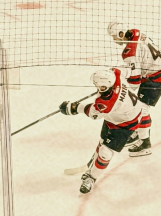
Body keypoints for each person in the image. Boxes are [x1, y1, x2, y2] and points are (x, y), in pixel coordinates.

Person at [59, 67, 143, 195]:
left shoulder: (107, 102)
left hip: (125, 124)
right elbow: (130, 70)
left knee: (105, 152)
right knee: (103, 141)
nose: (97, 88)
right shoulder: (115, 74)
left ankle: (91, 177)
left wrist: (74, 108)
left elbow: (93, 114)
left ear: (106, 86)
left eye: (100, 87)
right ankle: (95, 163)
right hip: (119, 115)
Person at [105, 23, 161, 157]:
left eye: (114, 37)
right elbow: (138, 63)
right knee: (139, 106)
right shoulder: (136, 33)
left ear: (121, 34)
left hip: (157, 77)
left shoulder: (129, 52)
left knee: (141, 108)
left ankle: (145, 144)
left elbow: (134, 82)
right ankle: (137, 133)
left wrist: (118, 83)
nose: (114, 40)